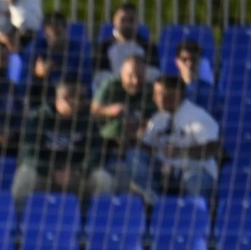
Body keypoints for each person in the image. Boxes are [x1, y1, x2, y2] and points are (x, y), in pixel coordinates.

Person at [14, 79, 113, 201]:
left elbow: (96, 153)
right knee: (25, 177)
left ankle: (93, 218)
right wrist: (52, 172)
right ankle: (19, 218)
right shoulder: (37, 118)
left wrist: (79, 171)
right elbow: (28, 154)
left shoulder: (88, 120)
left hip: (77, 175)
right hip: (45, 174)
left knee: (103, 180)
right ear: (65, 98)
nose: (84, 102)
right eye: (80, 98)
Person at [135, 75, 220, 198]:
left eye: (158, 93)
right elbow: (147, 148)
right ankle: (156, 203)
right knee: (135, 156)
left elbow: (213, 148)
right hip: (165, 172)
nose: (154, 98)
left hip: (194, 171)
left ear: (176, 94)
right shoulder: (158, 118)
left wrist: (181, 152)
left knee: (196, 180)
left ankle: (194, 212)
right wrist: (136, 137)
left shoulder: (198, 116)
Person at [93, 54, 157, 188]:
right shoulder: (110, 86)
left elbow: (158, 120)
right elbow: (94, 110)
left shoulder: (151, 90)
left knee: (137, 165)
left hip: (138, 146)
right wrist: (110, 111)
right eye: (130, 76)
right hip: (109, 145)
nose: (135, 81)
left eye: (140, 76)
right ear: (121, 73)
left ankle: (147, 201)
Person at [23, 12, 90, 84]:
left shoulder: (78, 51)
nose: (54, 38)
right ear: (44, 33)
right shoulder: (35, 49)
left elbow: (87, 83)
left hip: (70, 92)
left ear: (66, 29)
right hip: (42, 93)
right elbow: (23, 85)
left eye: (58, 33)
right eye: (49, 36)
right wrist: (37, 75)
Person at [99, 3, 156, 78]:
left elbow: (155, 74)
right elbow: (100, 76)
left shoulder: (148, 47)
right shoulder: (104, 47)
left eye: (131, 20)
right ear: (114, 21)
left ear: (137, 22)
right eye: (123, 20)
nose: (127, 25)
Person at [173, 40, 217, 116]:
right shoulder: (171, 87)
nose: (189, 64)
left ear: (199, 62)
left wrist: (190, 83)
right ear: (177, 62)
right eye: (184, 60)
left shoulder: (211, 90)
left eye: (194, 60)